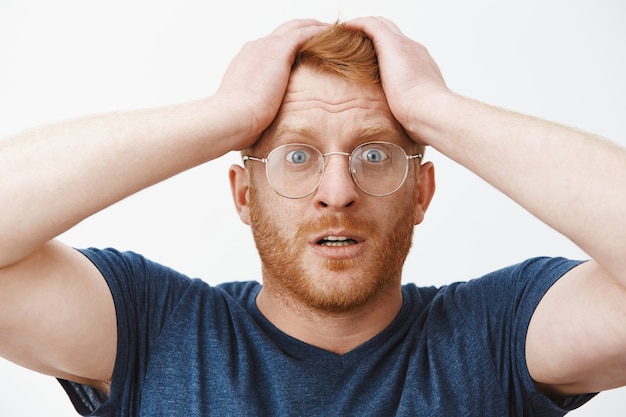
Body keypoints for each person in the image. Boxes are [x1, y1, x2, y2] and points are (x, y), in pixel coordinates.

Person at [0, 16, 625, 416]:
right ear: (245, 194)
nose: (336, 191)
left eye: (375, 154)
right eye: (296, 156)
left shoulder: (492, 336)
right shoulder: (153, 329)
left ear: (422, 192)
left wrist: (434, 109)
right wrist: (229, 114)